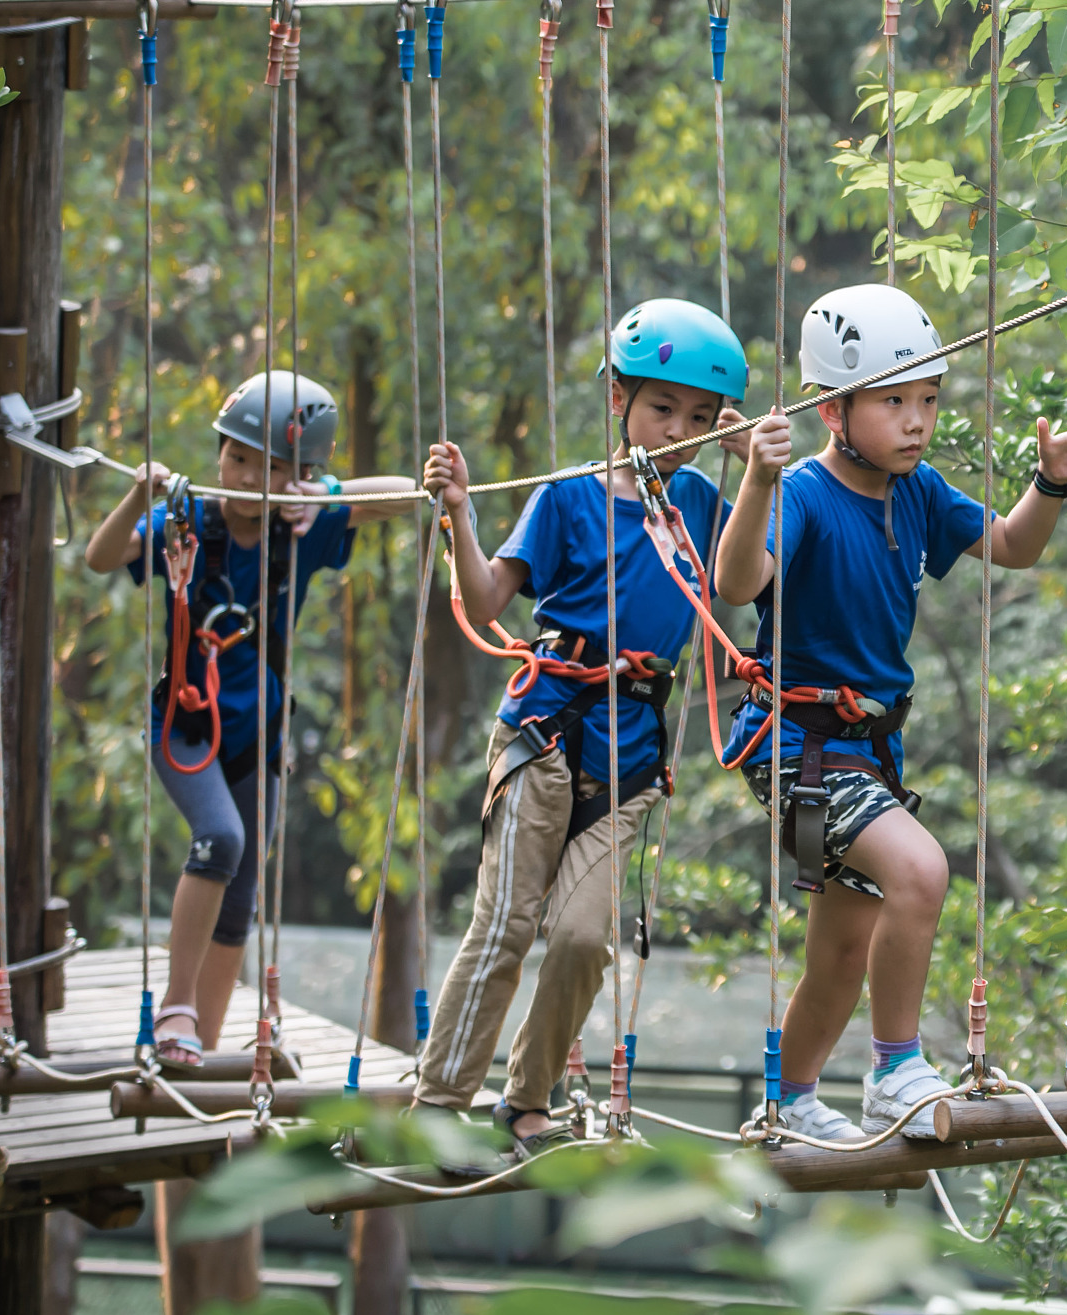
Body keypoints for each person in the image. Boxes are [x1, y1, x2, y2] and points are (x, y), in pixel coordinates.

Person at [714, 282, 1067, 1144]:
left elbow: (1011, 545)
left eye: (927, 399)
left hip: (862, 754)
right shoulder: (805, 495)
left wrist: (1050, 483)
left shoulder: (919, 492)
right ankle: (896, 1068)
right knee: (922, 871)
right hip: (795, 747)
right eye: (894, 401)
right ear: (833, 408)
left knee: (841, 955)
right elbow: (736, 583)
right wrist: (756, 476)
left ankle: (788, 1097)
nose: (918, 419)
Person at [413, 299, 751, 1155]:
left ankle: (526, 1099)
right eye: (661, 408)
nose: (678, 429)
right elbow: (488, 597)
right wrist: (457, 510)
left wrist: (761, 473)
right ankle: (437, 1102)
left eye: (700, 418)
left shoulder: (707, 506)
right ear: (619, 400)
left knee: (582, 936)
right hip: (547, 732)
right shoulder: (567, 497)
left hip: (632, 753)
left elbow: (748, 582)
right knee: (505, 925)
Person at [83, 372, 417, 1067]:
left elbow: (404, 496)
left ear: (296, 475)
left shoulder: (301, 527)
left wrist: (319, 496)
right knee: (220, 839)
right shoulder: (185, 519)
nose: (242, 476)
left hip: (258, 732)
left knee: (241, 892)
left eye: (266, 467)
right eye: (235, 457)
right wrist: (138, 495)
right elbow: (100, 557)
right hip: (187, 721)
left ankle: (197, 1044)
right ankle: (175, 1007)